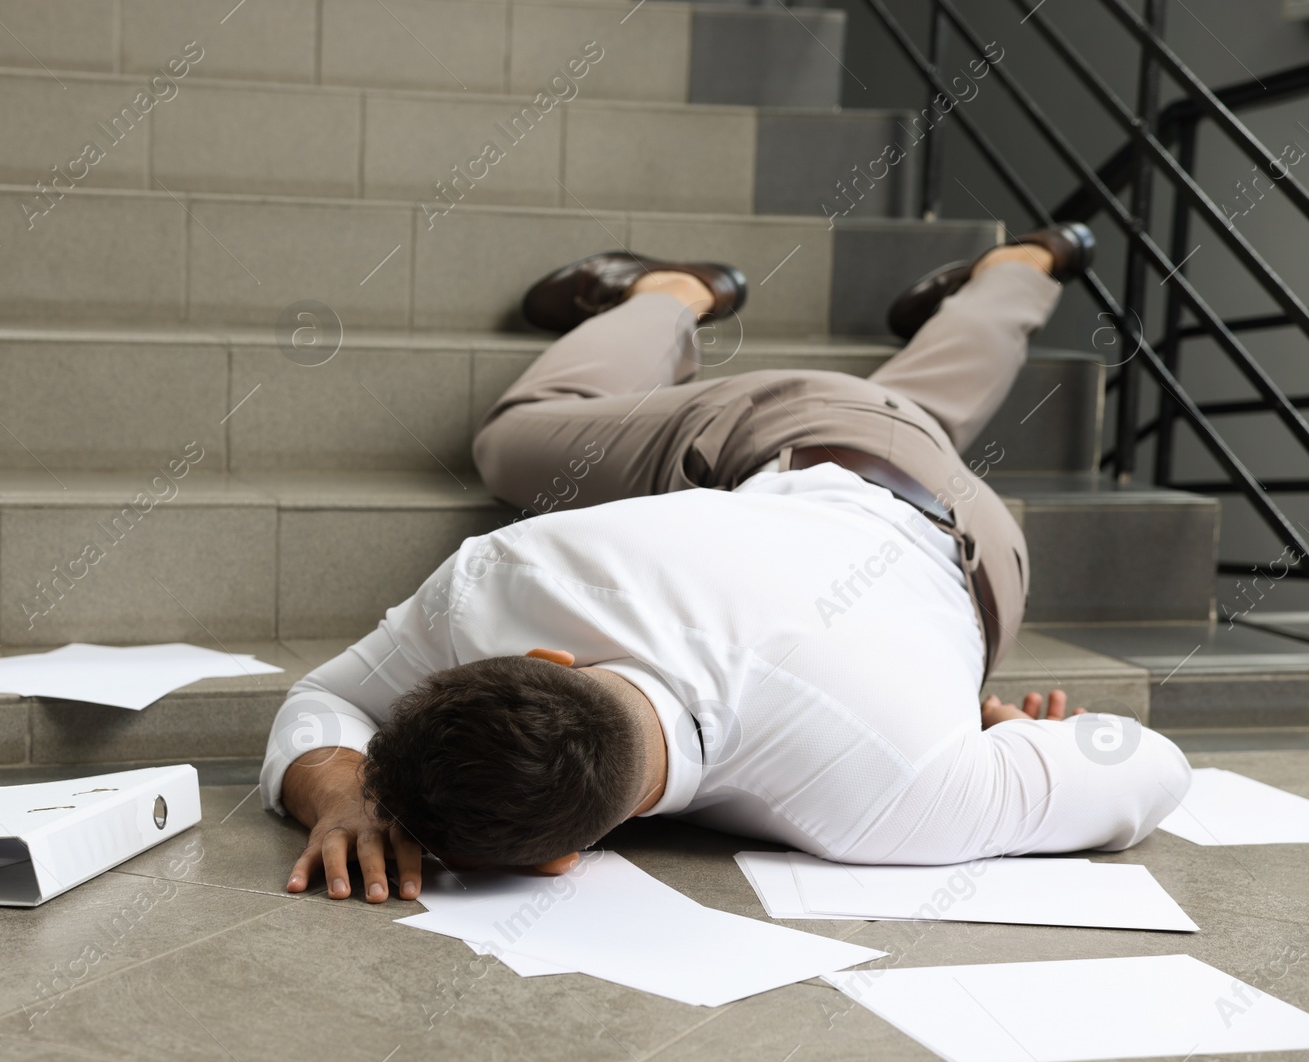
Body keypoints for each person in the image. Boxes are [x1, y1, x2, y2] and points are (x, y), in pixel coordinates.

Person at [261, 225, 1193, 904]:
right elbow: (1166, 767)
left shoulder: (897, 799)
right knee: (906, 416)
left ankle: (677, 291)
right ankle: (1018, 268)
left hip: (885, 498)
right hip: (905, 500)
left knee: (516, 442)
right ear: (548, 665)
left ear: (558, 859)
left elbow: (1145, 765)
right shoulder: (513, 585)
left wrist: (988, 741)